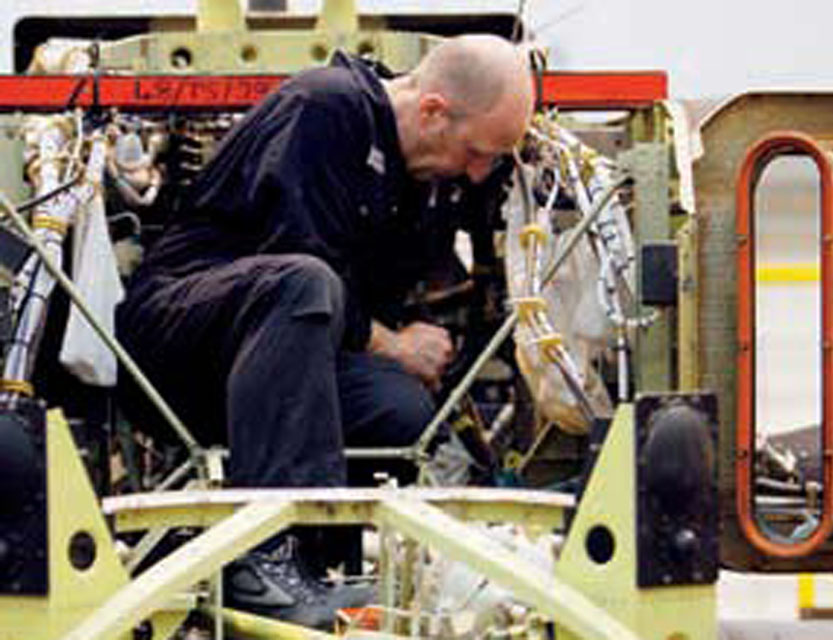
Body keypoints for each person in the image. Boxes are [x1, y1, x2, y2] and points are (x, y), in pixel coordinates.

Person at [116, 34, 533, 627]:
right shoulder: (326, 108)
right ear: (433, 109)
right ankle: (265, 555)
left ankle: (326, 564)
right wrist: (395, 343)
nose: (478, 171)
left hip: (278, 370)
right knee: (304, 283)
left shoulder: (423, 184)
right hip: (178, 343)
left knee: (402, 408)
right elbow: (299, 267)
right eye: (475, 152)